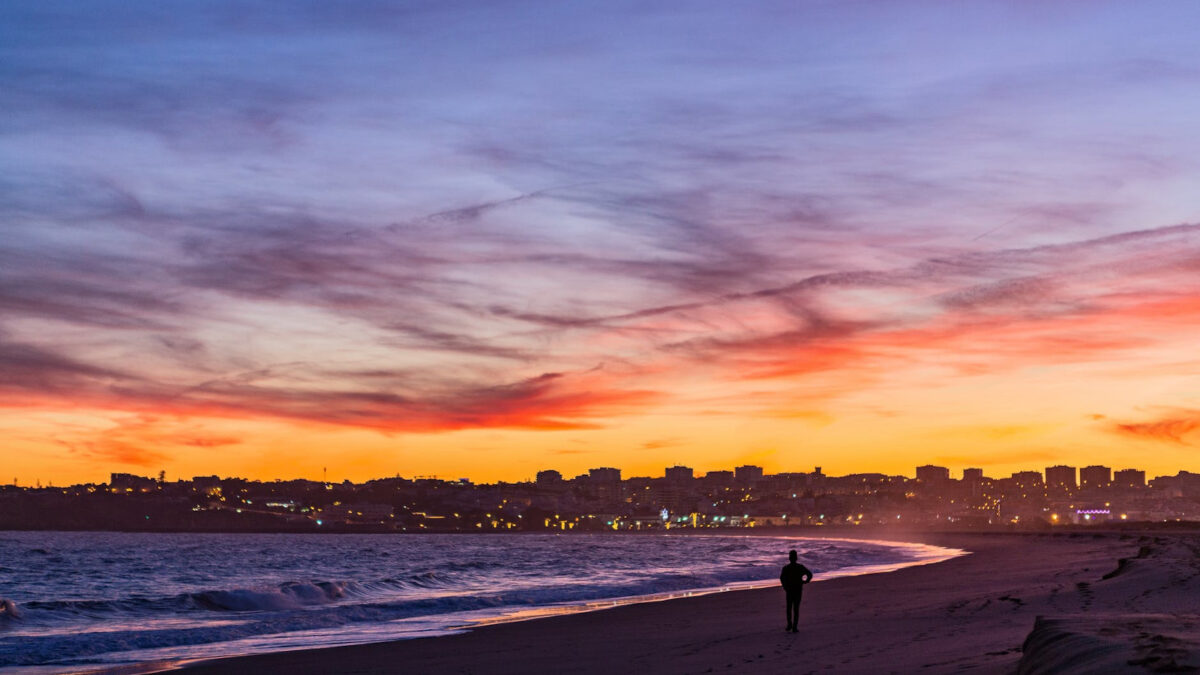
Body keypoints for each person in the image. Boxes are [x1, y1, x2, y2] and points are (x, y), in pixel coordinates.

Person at [779, 549, 813, 633]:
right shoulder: (800, 567)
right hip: (797, 590)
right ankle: (794, 626)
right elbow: (810, 574)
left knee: (789, 608)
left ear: (789, 558)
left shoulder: (786, 568)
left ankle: (790, 625)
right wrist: (805, 581)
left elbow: (782, 578)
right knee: (796, 609)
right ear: (796, 558)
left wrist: (784, 586)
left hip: (790, 590)